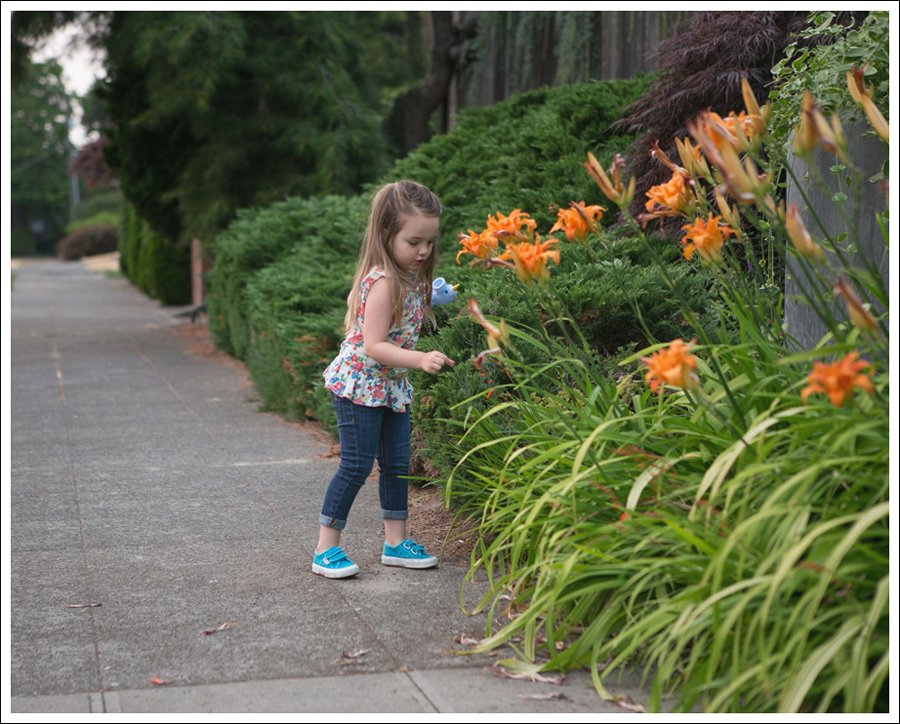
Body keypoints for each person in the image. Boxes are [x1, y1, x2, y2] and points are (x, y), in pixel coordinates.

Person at [314, 180, 455, 578]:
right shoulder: (383, 283)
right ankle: (325, 548)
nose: (424, 250)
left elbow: (389, 306)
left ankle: (395, 544)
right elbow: (374, 345)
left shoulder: (407, 277)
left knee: (396, 464)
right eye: (414, 242)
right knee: (357, 465)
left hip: (390, 387)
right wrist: (420, 359)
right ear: (386, 234)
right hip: (361, 385)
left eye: (429, 242)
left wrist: (432, 294)